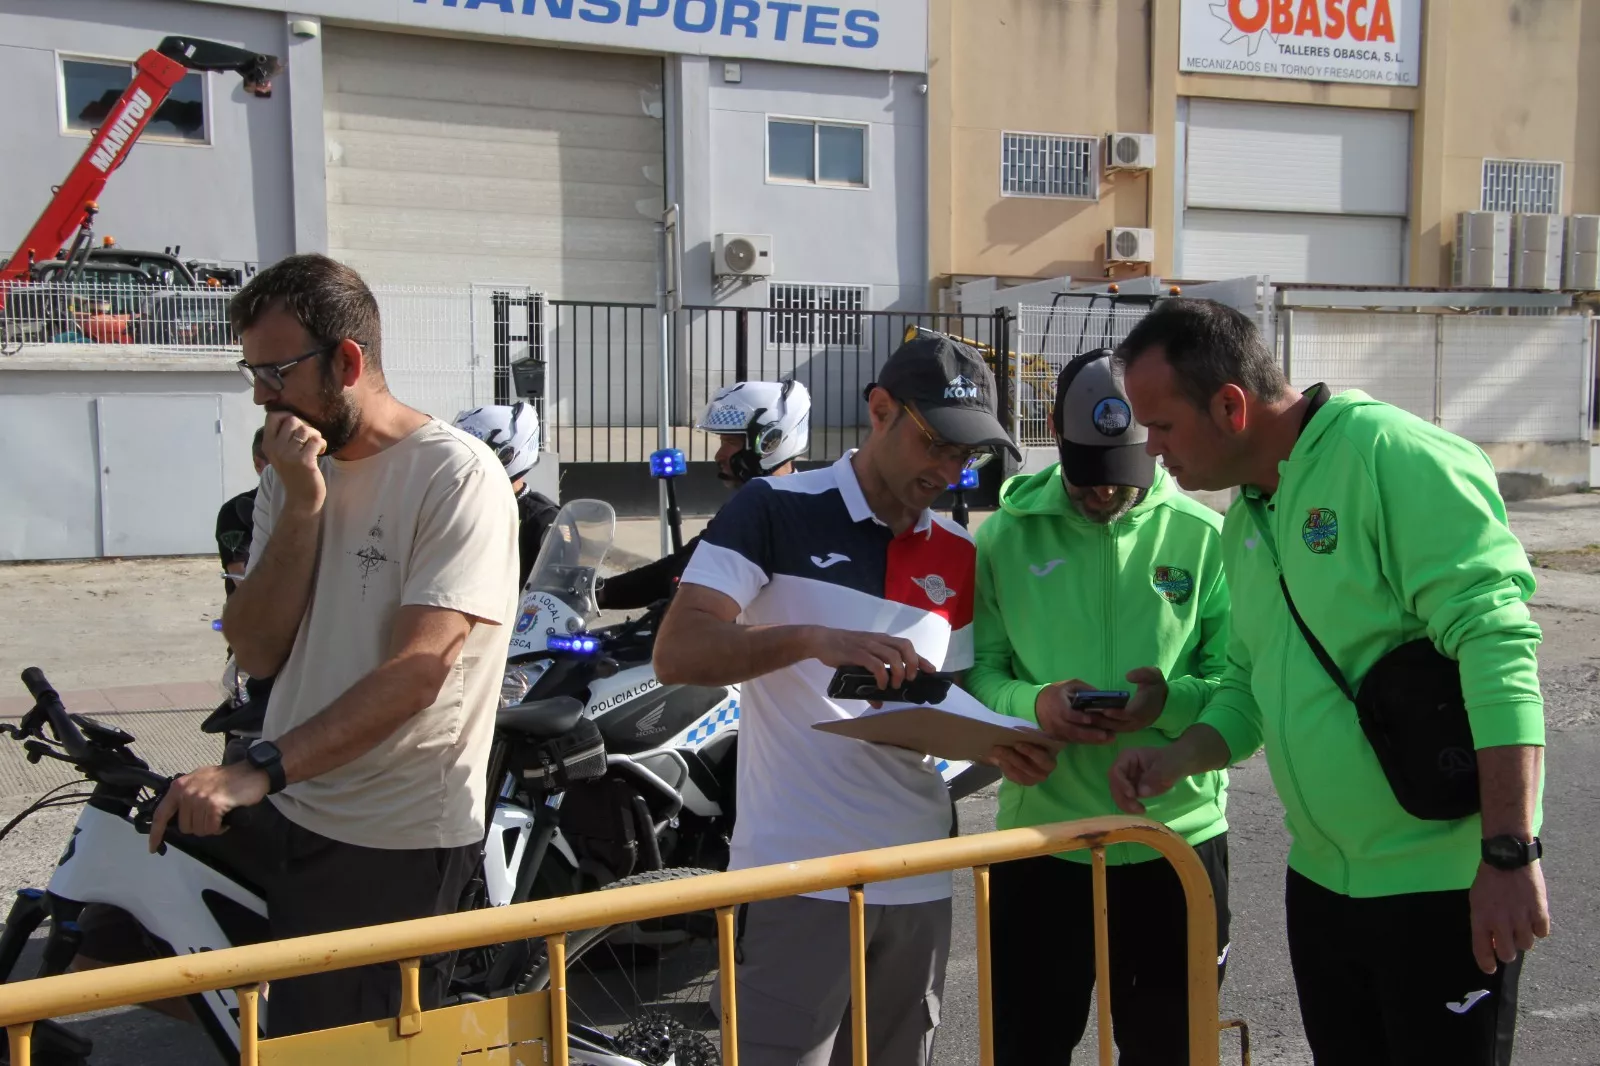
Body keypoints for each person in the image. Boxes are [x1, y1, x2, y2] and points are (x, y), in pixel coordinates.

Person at [1107, 299, 1548, 1066]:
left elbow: (1497, 645)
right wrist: (1177, 755)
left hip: (1439, 887)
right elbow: (1251, 687)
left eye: (1164, 427)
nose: (1152, 450)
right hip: (1320, 887)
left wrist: (1510, 854)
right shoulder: (1245, 519)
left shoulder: (1392, 456)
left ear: (1230, 405)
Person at [148, 253, 520, 1038]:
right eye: (251, 372)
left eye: (276, 371)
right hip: (296, 805)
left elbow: (417, 673)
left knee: (349, 1051)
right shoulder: (293, 468)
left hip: (393, 838)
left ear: (347, 361)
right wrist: (302, 508)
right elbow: (253, 648)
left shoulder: (454, 475)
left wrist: (258, 769)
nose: (260, 395)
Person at [652, 332, 1021, 1066]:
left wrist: (1014, 735)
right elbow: (679, 652)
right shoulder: (773, 507)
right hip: (798, 873)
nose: (949, 470)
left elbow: (966, 693)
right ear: (879, 410)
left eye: (967, 454)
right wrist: (813, 639)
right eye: (936, 443)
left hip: (917, 875)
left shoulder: (960, 551)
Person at [967, 349, 1233, 1065]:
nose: (1105, 496)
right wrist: (1035, 704)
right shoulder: (1001, 537)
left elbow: (1237, 683)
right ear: (1055, 431)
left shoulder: (1207, 539)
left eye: (1123, 478)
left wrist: (1166, 705)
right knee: (1027, 1046)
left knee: (1170, 1050)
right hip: (1041, 845)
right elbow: (982, 676)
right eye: (1089, 478)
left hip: (1174, 842)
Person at [597, 378, 811, 610]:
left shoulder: (794, 517)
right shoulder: (750, 508)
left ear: (771, 441)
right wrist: (600, 593)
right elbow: (685, 563)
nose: (719, 455)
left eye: (730, 442)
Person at [454, 402, 559, 591]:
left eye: (468, 454)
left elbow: (559, 595)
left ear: (507, 456)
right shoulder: (454, 505)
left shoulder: (544, 522)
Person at [216, 427, 269, 595]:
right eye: (281, 462)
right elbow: (240, 575)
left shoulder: (317, 507)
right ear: (258, 464)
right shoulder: (235, 511)